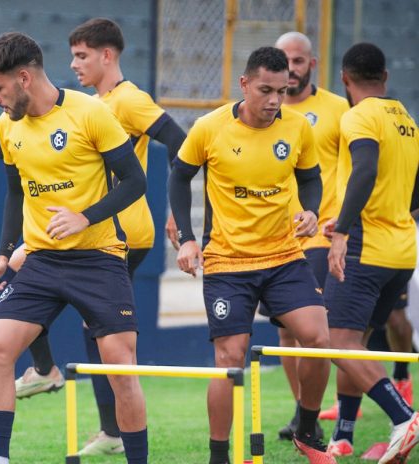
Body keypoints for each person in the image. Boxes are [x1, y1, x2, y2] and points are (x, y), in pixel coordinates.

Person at [0, 17, 186, 456]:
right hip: (42, 261)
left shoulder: (90, 112)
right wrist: (5, 254)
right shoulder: (9, 126)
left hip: (99, 258)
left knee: (121, 370)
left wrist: (85, 216)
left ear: (23, 77)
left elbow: (135, 181)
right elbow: (14, 192)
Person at [169, 46, 335, 464]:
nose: (275, 100)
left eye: (283, 90)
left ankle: (308, 422)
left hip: (284, 256)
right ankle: (219, 455)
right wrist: (188, 238)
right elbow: (178, 176)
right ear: (244, 85)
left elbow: (311, 179)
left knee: (318, 337)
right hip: (228, 262)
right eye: (266, 90)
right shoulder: (209, 127)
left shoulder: (298, 127)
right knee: (229, 358)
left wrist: (311, 211)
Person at [322, 42, 419, 463]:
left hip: (365, 248)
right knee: (357, 342)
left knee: (338, 343)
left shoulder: (358, 116)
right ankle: (343, 435)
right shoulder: (408, 120)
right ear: (385, 77)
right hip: (401, 251)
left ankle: (405, 417)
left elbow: (365, 169)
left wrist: (342, 231)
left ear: (345, 79)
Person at [260, 31, 349, 442]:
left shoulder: (335, 109)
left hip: (317, 235)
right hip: (273, 239)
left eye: (297, 61)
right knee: (283, 333)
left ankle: (311, 417)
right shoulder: (263, 114)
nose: (291, 68)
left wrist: (340, 228)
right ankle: (302, 413)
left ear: (311, 64)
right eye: (284, 60)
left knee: (312, 330)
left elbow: (352, 166)